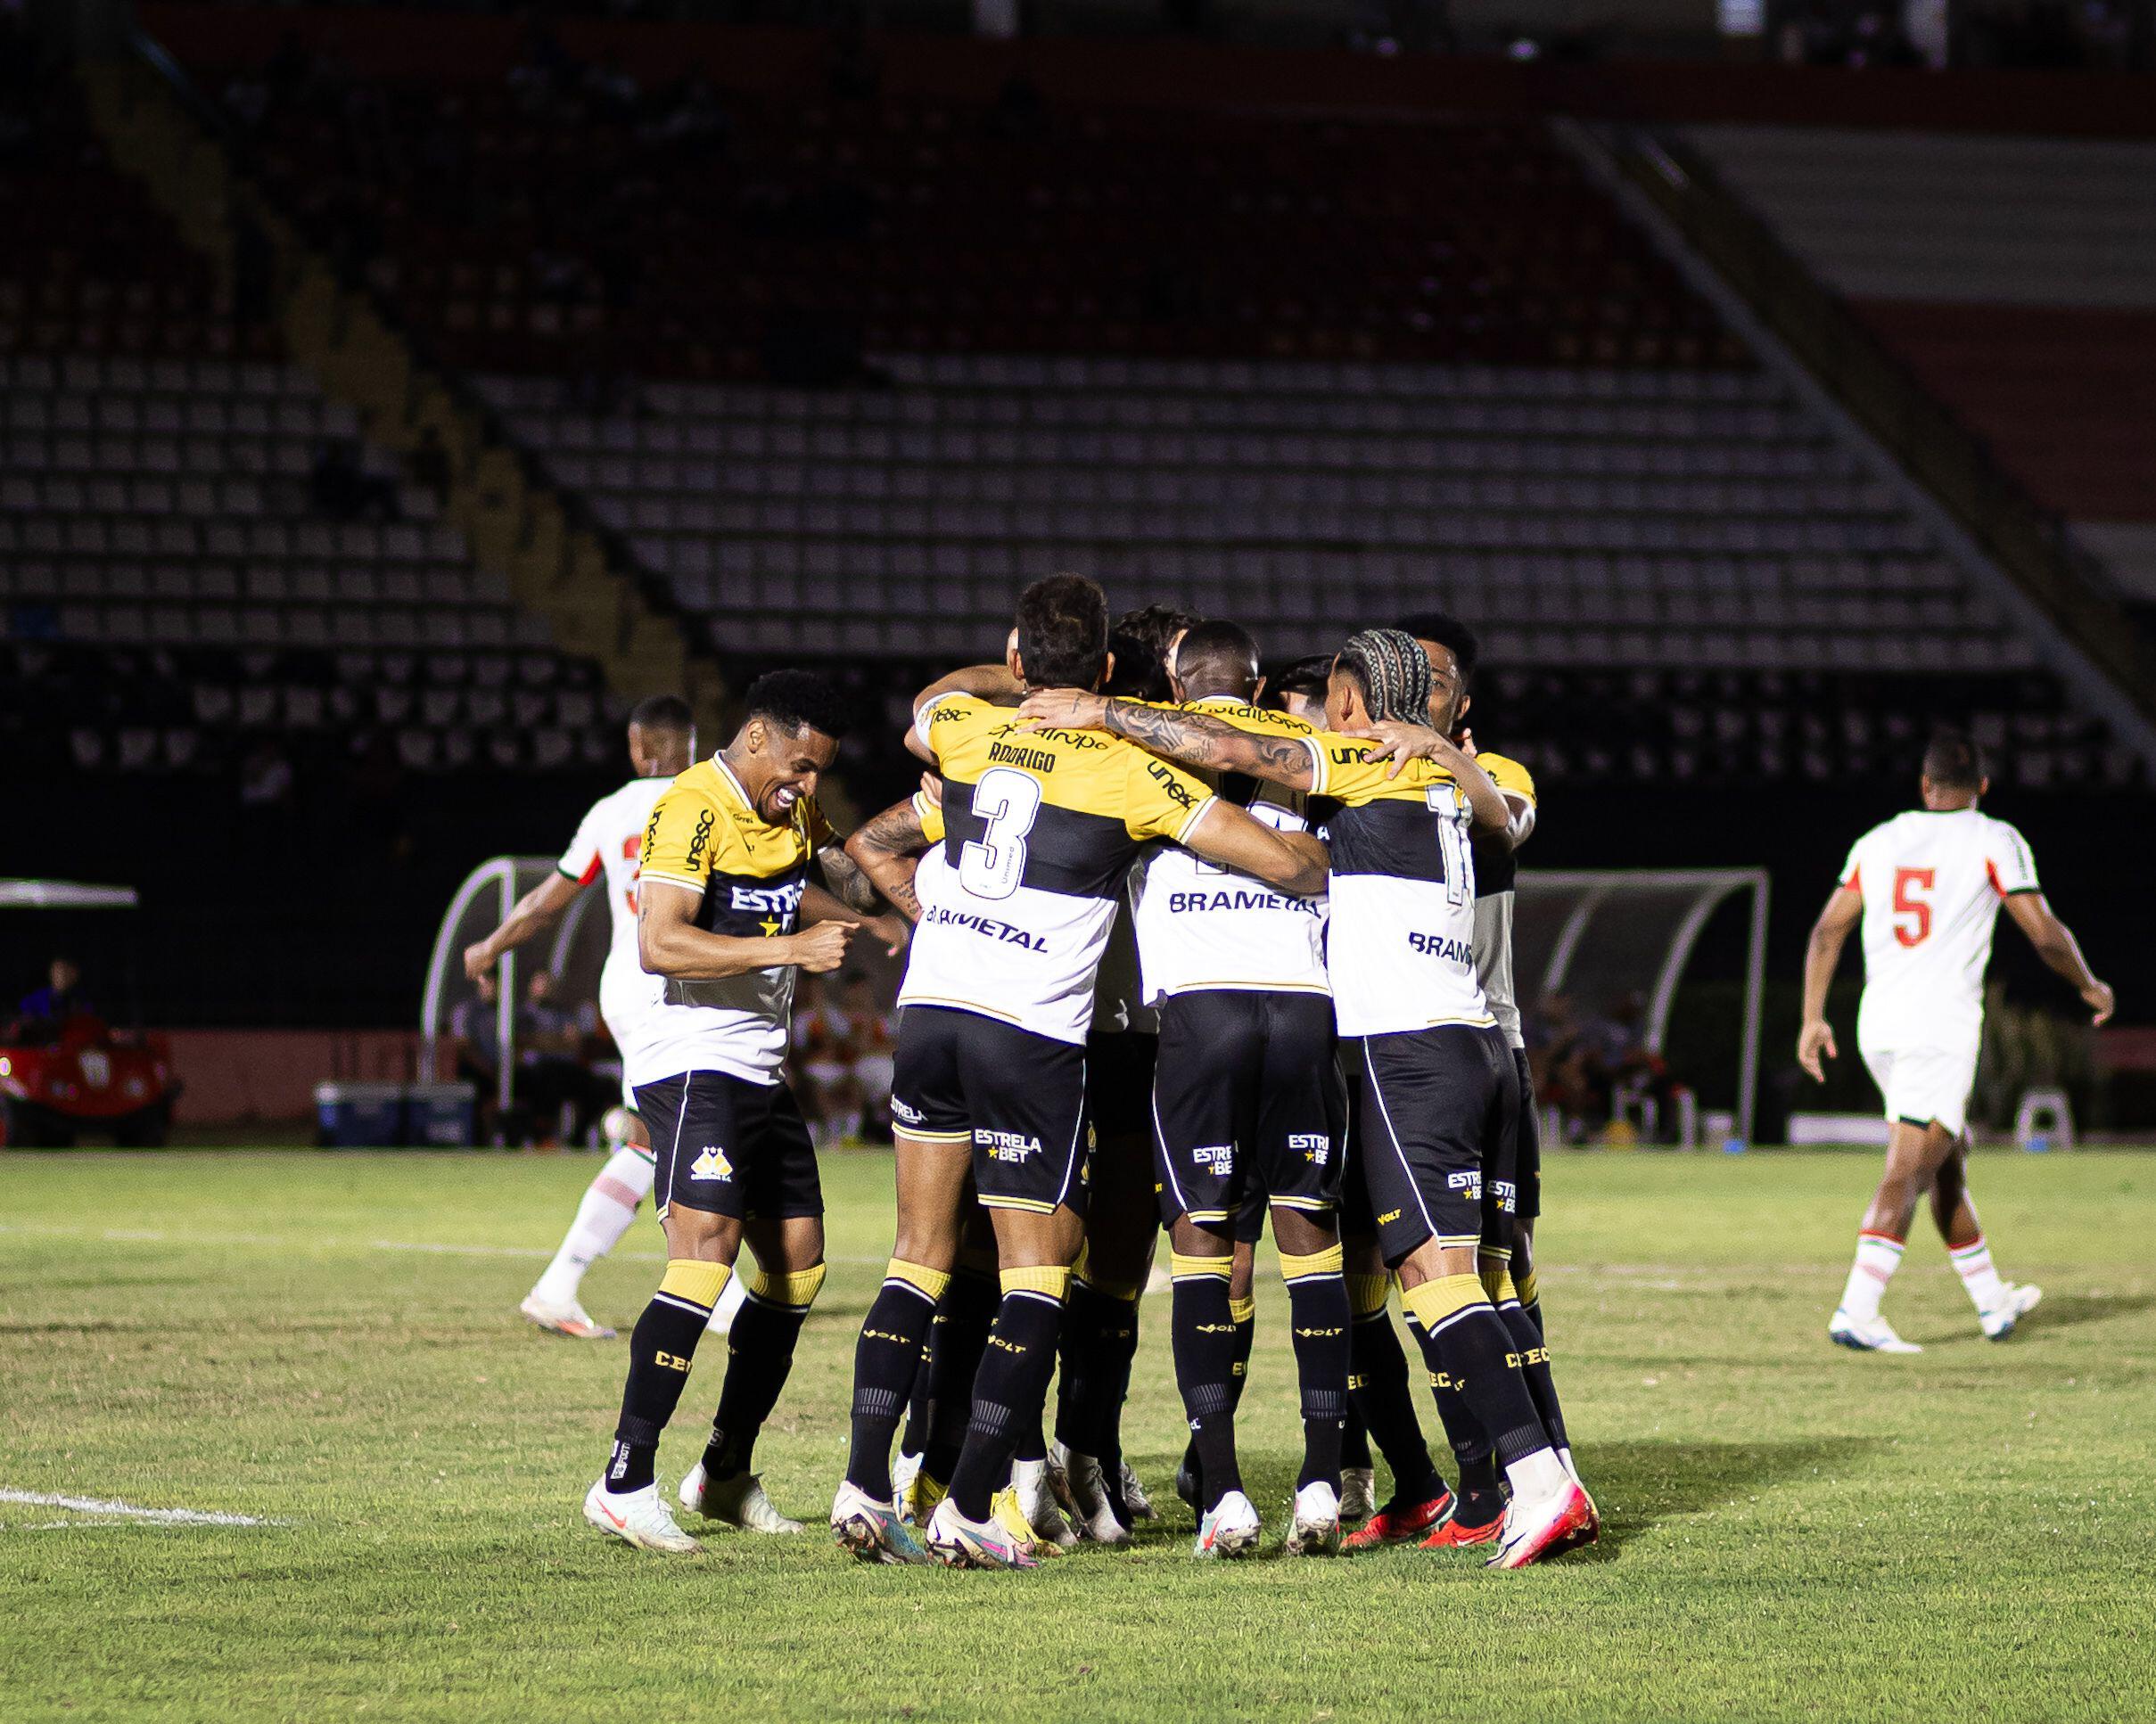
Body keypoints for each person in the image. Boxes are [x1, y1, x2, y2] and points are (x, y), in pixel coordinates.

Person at [1016, 627, 1596, 1570]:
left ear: (1354, 703)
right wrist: (1444, 747)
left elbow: (1230, 745)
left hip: (1409, 1050)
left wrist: (1100, 708)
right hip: (1473, 1043)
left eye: (1334, 695)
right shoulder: (1454, 780)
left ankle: (1537, 1481)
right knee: (1449, 1274)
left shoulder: (1361, 763)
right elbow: (1501, 812)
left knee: (1440, 1280)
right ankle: (1519, 1477)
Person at [827, 574, 1329, 1570]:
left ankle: (864, 1483)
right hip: (1034, 1034)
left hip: (932, 1011)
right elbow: (1286, 864)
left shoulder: (967, 729)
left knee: (918, 1255)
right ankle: (978, 1501)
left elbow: (926, 714)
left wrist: (934, 909)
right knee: (1039, 1271)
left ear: (1018, 658)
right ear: (1110, 671)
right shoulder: (1133, 768)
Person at [582, 670, 896, 1555]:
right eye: (800, 766)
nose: (807, 784)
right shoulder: (692, 805)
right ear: (758, 736)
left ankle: (723, 1471)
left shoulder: (790, 808)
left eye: (819, 771)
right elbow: (660, 941)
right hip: (691, 1060)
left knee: (797, 1266)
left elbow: (810, 884)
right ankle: (624, 1481)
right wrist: (794, 946)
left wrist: (877, 902)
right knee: (706, 1256)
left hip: (757, 1069)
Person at [1128, 618, 1350, 1557]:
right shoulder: (1307, 757)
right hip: (1304, 1008)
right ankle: (1322, 1482)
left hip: (1204, 1012)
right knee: (1310, 1240)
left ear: (1178, 685)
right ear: (1258, 687)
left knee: (1205, 1244)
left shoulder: (1137, 751)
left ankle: (1221, 1490)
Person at [1798, 729, 2113, 1353]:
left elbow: (1828, 931)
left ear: (1925, 785)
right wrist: (2089, 984)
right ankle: (1857, 1311)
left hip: (1879, 1024)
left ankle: (1993, 1301)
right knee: (1909, 1169)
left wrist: (1812, 1017)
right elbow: (2044, 933)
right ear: (1984, 787)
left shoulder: (1878, 841)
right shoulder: (1995, 839)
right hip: (1937, 1027)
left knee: (1946, 1161)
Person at [459, 696, 751, 1341]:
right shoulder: (714, 798)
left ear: (639, 748)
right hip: (676, 981)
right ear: (691, 744)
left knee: (657, 1139)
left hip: (627, 982)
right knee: (686, 1134)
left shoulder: (610, 811)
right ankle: (716, 1295)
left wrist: (491, 945)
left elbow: (546, 902)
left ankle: (563, 1288)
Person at [16, 957, 88, 1037]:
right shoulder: (35, 999)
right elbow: (24, 1019)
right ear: (51, 974)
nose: (62, 976)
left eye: (66, 971)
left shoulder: (81, 1001)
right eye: (58, 972)